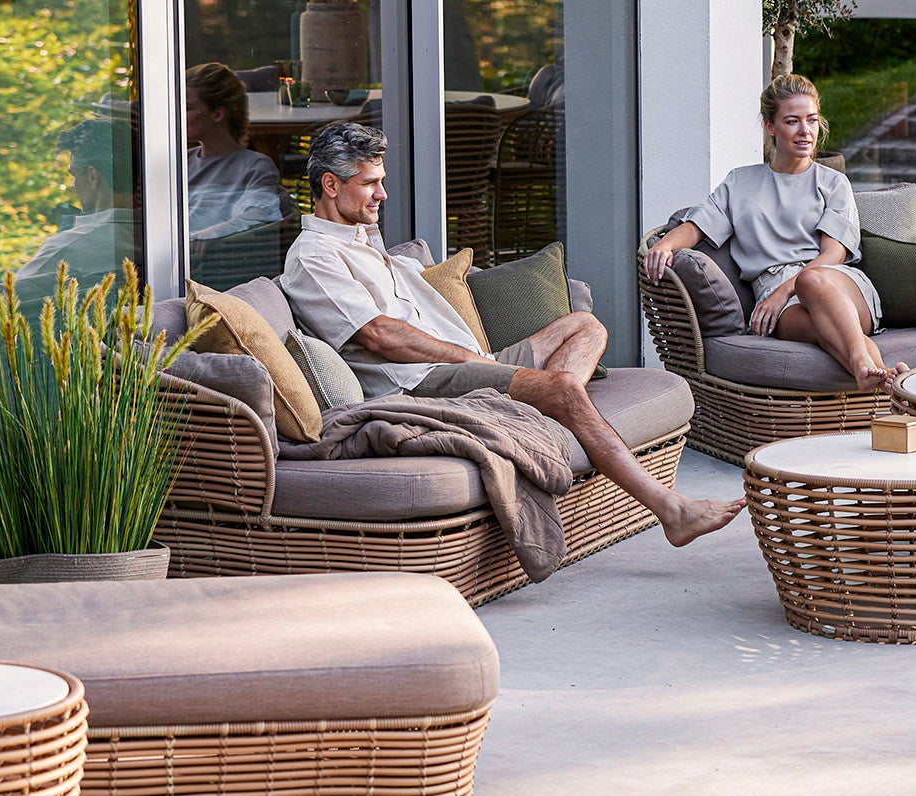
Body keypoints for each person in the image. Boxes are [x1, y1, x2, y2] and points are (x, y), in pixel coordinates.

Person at [281, 121, 745, 548]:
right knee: (563, 386)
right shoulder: (315, 256)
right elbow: (382, 335)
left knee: (585, 326)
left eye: (381, 181)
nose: (383, 193)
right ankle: (671, 508)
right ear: (330, 184)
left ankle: (542, 404)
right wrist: (470, 360)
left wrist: (482, 357)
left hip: (467, 359)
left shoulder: (364, 240)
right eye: (369, 183)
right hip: (421, 381)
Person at [642, 74, 908, 393]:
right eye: (792, 121)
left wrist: (786, 291)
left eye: (811, 120)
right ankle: (870, 369)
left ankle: (863, 364)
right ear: (771, 127)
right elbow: (698, 225)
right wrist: (665, 245)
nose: (805, 131)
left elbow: (833, 254)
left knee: (812, 281)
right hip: (776, 299)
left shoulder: (833, 183)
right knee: (820, 329)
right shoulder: (740, 183)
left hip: (837, 284)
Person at [17, 114, 140, 280]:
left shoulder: (64, 251)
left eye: (74, 174)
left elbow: (11, 299)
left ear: (92, 176)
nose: (72, 185)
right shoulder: (161, 238)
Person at [185, 62, 288, 248]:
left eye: (186, 108)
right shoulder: (182, 162)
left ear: (217, 114)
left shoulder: (255, 166)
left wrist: (204, 237)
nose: (176, 114)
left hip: (202, 260)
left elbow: (259, 213)